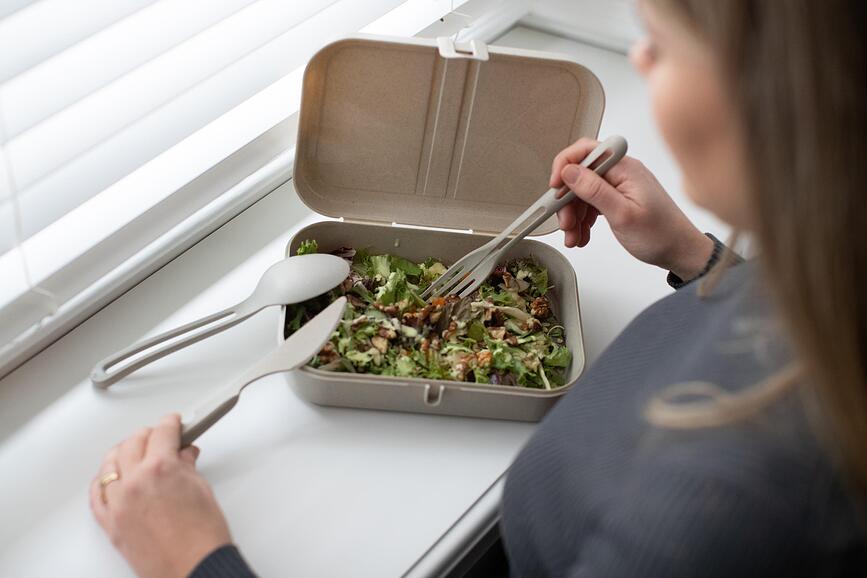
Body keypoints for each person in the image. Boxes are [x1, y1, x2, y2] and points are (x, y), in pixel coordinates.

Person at [90, 0, 867, 576]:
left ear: (790, 99)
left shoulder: (714, 515)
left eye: (659, 43)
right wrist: (698, 262)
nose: (637, 59)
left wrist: (192, 560)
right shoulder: (823, 286)